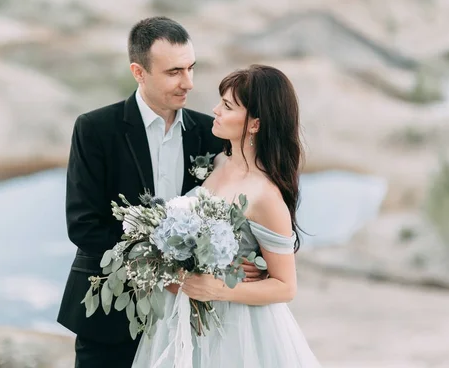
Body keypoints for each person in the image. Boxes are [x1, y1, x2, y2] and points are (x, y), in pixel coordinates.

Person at [57, 17, 260, 368]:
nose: (189, 83)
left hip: (193, 319)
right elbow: (84, 226)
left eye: (191, 68)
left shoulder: (210, 133)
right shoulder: (95, 130)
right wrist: (164, 273)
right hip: (111, 316)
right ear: (139, 72)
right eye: (174, 72)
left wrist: (246, 260)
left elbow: (243, 203)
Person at [131, 64, 322, 367]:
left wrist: (217, 287)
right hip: (185, 318)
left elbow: (286, 286)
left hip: (238, 329)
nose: (215, 110)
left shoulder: (265, 195)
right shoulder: (219, 162)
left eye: (228, 105)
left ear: (255, 124)